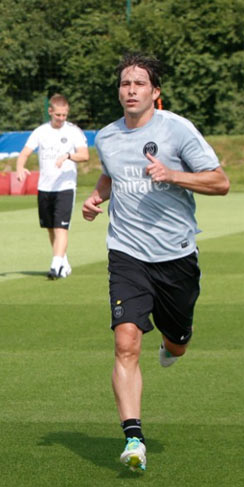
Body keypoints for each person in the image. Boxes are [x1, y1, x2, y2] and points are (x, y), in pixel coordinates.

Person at [82, 53, 229, 472]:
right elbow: (112, 174)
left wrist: (174, 175)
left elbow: (220, 182)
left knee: (177, 342)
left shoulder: (178, 130)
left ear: (155, 92)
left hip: (176, 254)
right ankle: (133, 438)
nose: (130, 90)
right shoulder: (106, 137)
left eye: (139, 84)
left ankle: (173, 341)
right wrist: (97, 197)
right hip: (127, 253)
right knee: (125, 341)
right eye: (125, 84)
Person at [16, 94, 89, 279]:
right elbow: (24, 153)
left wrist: (68, 156)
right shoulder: (41, 131)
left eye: (64, 115)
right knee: (50, 227)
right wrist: (20, 168)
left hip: (65, 186)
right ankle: (63, 262)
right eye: (58, 115)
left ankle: (55, 266)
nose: (61, 119)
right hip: (45, 186)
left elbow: (84, 154)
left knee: (61, 227)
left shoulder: (73, 131)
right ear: (50, 112)